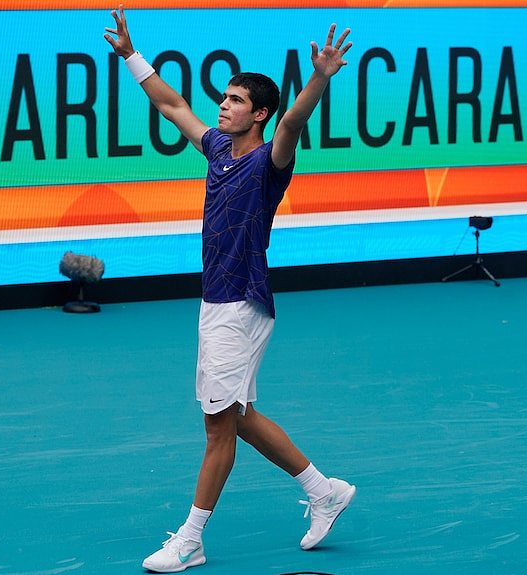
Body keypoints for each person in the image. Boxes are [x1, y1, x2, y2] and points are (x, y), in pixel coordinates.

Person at [105, 6, 356, 572]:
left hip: (242, 302)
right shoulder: (217, 149)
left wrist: (318, 77)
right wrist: (129, 55)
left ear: (259, 113)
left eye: (236, 100)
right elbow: (171, 105)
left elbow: (293, 123)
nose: (223, 105)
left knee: (217, 424)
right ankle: (324, 491)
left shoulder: (271, 160)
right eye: (223, 97)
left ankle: (191, 539)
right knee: (236, 416)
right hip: (214, 301)